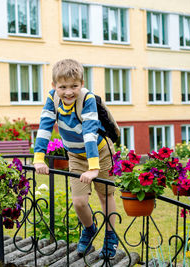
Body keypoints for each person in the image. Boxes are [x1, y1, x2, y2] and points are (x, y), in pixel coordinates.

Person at [33, 59, 118, 259]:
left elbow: (89, 132)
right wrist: (38, 158)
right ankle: (89, 230)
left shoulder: (87, 99)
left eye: (74, 86)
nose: (68, 92)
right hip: (75, 156)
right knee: (79, 201)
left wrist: (94, 167)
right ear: (54, 86)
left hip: (100, 152)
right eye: (63, 87)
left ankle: (110, 236)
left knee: (105, 195)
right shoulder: (52, 98)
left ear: (81, 83)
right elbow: (45, 126)